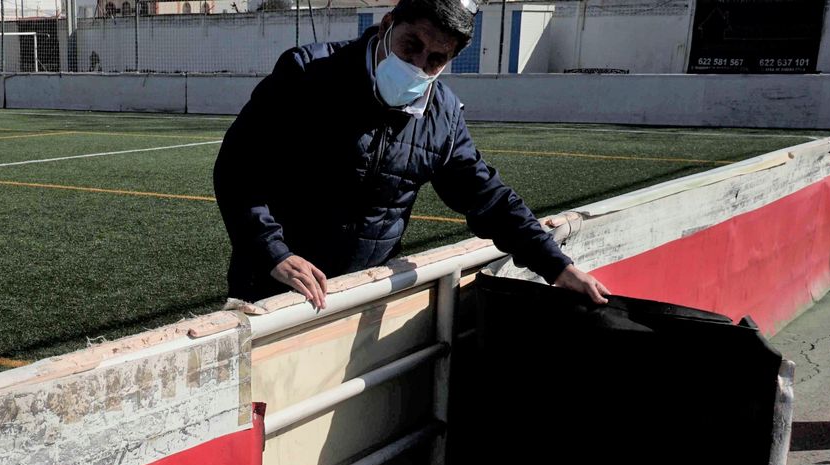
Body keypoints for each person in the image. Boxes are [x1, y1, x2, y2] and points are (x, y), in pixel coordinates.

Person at [213, 0, 609, 310]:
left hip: (360, 293)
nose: (419, 64)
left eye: (436, 59)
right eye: (411, 46)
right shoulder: (308, 74)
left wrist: (557, 265)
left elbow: (486, 197)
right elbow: (238, 169)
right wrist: (272, 253)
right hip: (274, 285)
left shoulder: (443, 117)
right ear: (387, 25)